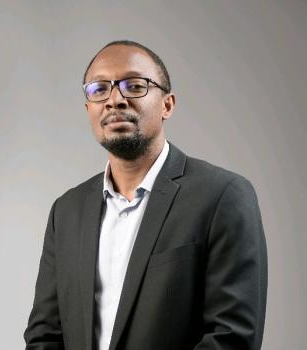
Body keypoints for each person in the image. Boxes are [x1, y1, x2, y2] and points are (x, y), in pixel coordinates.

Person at [24, 40, 268, 350]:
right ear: (89, 109)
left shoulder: (223, 197)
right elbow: (44, 335)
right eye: (99, 89)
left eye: (134, 85)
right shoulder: (67, 211)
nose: (115, 100)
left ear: (167, 104)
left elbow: (232, 338)